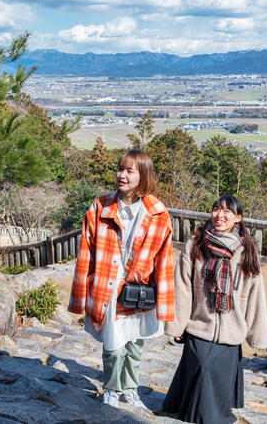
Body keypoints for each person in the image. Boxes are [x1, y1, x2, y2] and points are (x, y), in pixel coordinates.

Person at [68, 149, 175, 409]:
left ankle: (130, 388)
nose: (122, 175)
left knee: (135, 342)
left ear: (144, 175)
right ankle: (112, 388)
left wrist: (165, 306)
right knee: (113, 343)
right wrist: (79, 298)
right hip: (108, 285)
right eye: (120, 169)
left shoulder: (158, 213)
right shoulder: (99, 206)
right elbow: (86, 256)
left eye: (130, 171)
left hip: (140, 290)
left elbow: (164, 261)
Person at [163, 195, 267, 424]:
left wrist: (256, 335)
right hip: (199, 324)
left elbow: (255, 294)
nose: (219, 215)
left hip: (232, 329)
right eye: (215, 210)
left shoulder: (247, 250)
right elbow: (181, 286)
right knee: (203, 366)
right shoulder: (196, 244)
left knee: (217, 377)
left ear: (238, 218)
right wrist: (177, 324)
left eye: (226, 212)